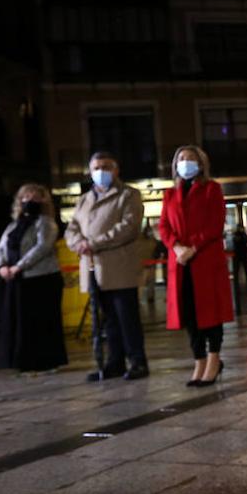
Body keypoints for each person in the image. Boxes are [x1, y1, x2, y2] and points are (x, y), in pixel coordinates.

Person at [64, 150, 149, 381]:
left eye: (105, 166)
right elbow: (72, 228)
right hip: (93, 268)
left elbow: (128, 227)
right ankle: (115, 362)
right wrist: (79, 243)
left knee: (127, 318)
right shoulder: (85, 199)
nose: (100, 172)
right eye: (95, 168)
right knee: (108, 320)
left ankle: (137, 361)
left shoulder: (128, 195)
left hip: (119, 267)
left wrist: (93, 243)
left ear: (116, 169)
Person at [160, 145, 235, 387]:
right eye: (181, 158)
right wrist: (176, 247)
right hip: (180, 263)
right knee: (189, 313)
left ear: (201, 163)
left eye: (191, 158)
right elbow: (164, 227)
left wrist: (193, 246)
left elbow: (216, 223)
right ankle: (199, 359)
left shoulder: (212, 189)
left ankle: (214, 359)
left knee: (211, 312)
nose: (185, 162)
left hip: (205, 259)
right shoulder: (170, 194)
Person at [0, 184, 68, 375]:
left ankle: (46, 362)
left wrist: (19, 266)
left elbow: (42, 247)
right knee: (21, 322)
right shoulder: (14, 224)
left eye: (35, 197)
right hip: (18, 280)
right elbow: (1, 246)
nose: (30, 201)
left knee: (42, 321)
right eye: (26, 197)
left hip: (41, 279)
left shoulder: (46, 222)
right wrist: (1, 266)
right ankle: (23, 361)